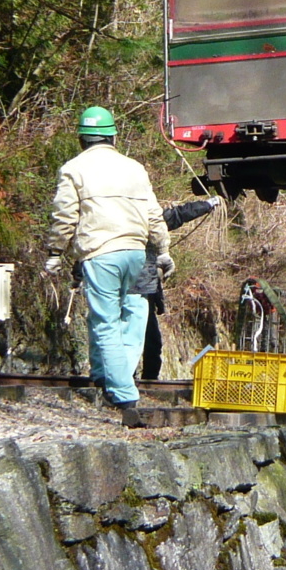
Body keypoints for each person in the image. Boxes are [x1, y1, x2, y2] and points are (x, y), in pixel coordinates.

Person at [45, 106, 170, 410]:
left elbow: (65, 216)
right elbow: (153, 213)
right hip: (136, 254)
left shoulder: (73, 169)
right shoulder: (135, 168)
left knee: (105, 321)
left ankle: (123, 393)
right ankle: (105, 374)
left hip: (101, 253)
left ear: (81, 139)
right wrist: (163, 249)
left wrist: (55, 252)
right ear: (114, 136)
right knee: (126, 315)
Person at [136, 197, 220, 381]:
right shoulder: (147, 216)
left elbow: (177, 215)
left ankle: (137, 379)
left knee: (143, 337)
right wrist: (208, 204)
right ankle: (146, 381)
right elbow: (176, 216)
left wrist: (206, 205)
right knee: (148, 337)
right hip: (142, 285)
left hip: (136, 284)